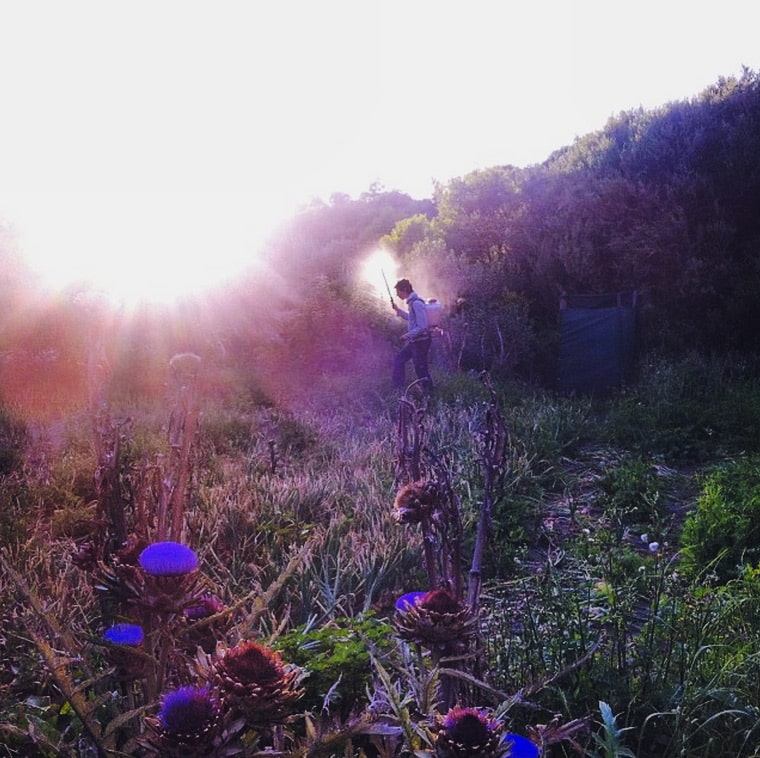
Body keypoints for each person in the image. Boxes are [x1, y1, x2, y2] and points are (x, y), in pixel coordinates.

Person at [391, 278, 434, 393]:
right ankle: (399, 388)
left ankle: (429, 393)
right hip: (416, 341)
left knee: (421, 369)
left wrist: (408, 335)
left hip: (421, 341)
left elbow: (423, 326)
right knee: (399, 360)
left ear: (405, 290)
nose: (397, 294)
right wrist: (399, 311)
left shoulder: (416, 303)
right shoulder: (412, 303)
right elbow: (412, 318)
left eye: (398, 292)